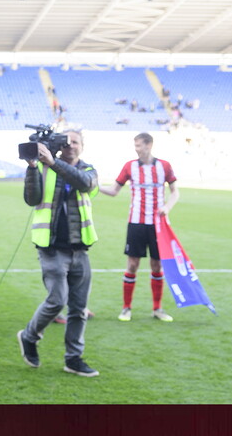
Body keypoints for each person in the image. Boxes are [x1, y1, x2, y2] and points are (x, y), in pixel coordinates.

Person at [16, 129, 100, 377]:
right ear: (59, 145)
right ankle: (30, 336)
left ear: (82, 146)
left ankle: (73, 358)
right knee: (57, 300)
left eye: (75, 141)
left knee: (78, 308)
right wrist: (32, 167)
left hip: (79, 249)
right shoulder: (43, 168)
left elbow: (84, 184)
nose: (71, 145)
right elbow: (31, 199)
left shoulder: (89, 170)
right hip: (51, 248)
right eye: (67, 141)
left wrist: (53, 163)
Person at [99, 132, 180, 322]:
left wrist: (167, 207)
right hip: (136, 223)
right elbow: (113, 191)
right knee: (133, 264)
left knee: (157, 265)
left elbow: (175, 192)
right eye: (135, 145)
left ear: (149, 145)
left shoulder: (164, 166)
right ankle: (126, 308)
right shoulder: (129, 166)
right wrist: (94, 187)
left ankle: (157, 309)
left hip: (158, 225)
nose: (136, 149)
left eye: (139, 145)